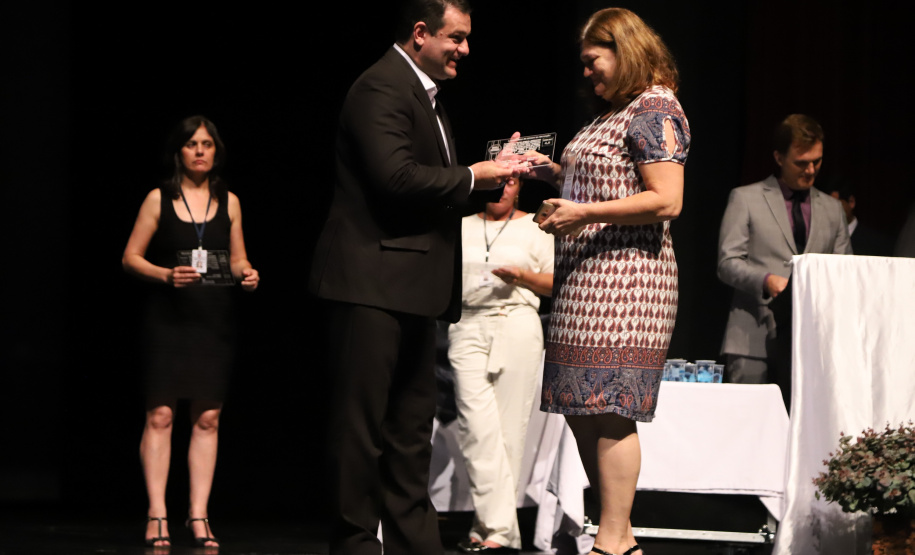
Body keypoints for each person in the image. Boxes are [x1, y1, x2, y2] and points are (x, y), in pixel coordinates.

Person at [307, 1, 521, 553]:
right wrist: (476, 174)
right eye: (457, 37)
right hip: (369, 284)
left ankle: (415, 547)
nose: (466, 50)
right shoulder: (380, 87)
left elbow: (432, 183)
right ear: (421, 33)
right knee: (361, 434)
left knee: (409, 438)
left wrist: (491, 179)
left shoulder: (427, 98)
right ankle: (356, 544)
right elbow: (395, 178)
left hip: (414, 290)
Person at [527, 8, 690, 555]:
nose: (587, 74)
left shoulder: (654, 106)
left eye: (593, 61)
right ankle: (618, 532)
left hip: (626, 282)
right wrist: (550, 173)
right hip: (584, 278)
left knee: (609, 405)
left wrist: (582, 212)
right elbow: (608, 176)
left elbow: (667, 199)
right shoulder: (612, 113)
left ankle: (614, 540)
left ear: (622, 49)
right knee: (579, 405)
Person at [122, 115, 260, 548]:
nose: (200, 151)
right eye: (191, 144)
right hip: (169, 319)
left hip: (214, 319)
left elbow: (237, 259)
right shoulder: (157, 198)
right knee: (160, 415)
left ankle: (198, 515)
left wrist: (248, 273)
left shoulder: (229, 200)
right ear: (178, 151)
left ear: (216, 151)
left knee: (207, 418)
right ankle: (157, 513)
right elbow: (130, 257)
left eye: (207, 144)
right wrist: (166, 275)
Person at [449, 180, 554, 554]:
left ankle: (488, 530)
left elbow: (558, 282)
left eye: (510, 182)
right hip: (468, 325)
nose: (502, 189)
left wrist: (521, 277)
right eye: (497, 181)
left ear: (519, 187)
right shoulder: (460, 225)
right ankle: (503, 530)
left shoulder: (536, 227)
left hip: (517, 322)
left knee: (510, 432)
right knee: (477, 429)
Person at [717, 114, 851, 403]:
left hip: (812, 343)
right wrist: (767, 280)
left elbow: (844, 270)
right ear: (778, 157)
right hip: (754, 338)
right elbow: (727, 263)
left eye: (817, 161)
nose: (811, 170)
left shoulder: (832, 209)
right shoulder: (746, 198)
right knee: (749, 428)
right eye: (801, 163)